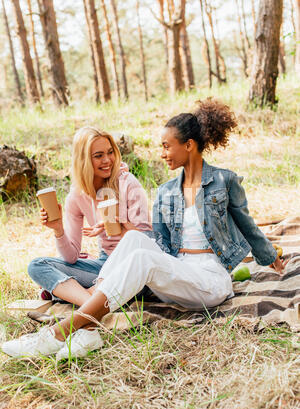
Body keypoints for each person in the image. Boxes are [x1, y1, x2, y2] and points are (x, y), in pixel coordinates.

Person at [2, 99, 288, 359]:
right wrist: (122, 230)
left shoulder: (225, 181)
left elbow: (247, 226)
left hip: (210, 279)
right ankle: (88, 332)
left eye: (167, 146)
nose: (162, 153)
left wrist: (267, 256)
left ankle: (57, 334)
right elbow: (156, 242)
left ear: (188, 145)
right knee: (136, 239)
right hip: (177, 270)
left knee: (140, 253)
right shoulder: (167, 192)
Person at [26, 126, 152, 307]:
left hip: (135, 265)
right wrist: (58, 229)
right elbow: (71, 257)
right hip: (104, 264)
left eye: (110, 152)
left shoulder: (128, 183)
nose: (107, 160)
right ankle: (93, 305)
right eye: (98, 155)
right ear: (83, 160)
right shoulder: (77, 196)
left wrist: (121, 223)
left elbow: (148, 241)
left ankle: (73, 295)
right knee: (37, 266)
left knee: (69, 281)